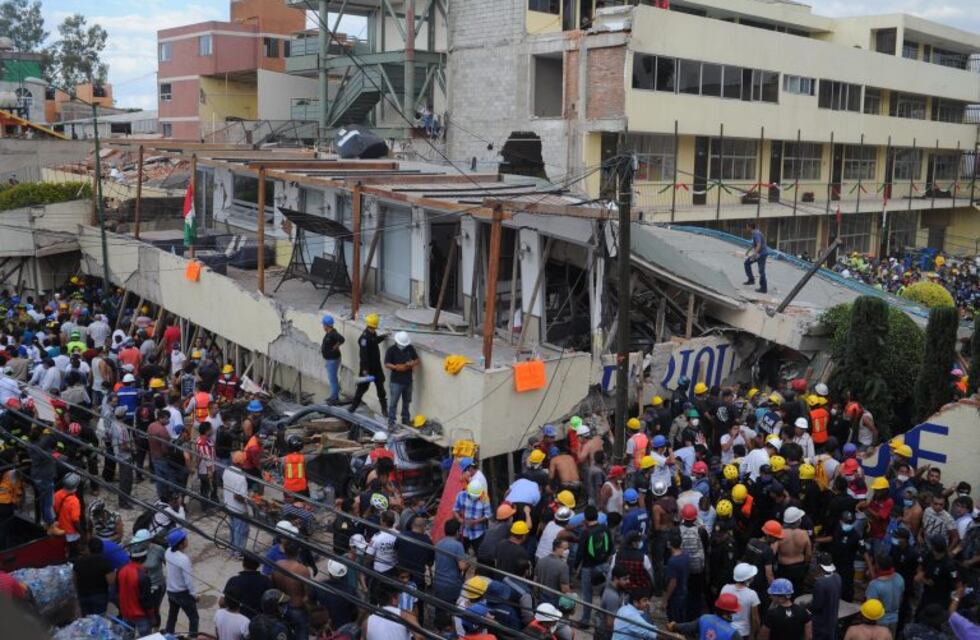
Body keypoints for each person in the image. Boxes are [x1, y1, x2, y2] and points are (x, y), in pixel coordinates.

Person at [271, 538, 311, 640]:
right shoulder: (302, 570)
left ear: (284, 550)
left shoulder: (277, 565)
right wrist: (311, 613)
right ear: (298, 552)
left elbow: (273, 586)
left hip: (281, 608)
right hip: (297, 608)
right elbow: (307, 596)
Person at [348, 313, 388, 415]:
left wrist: (383, 337)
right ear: (371, 326)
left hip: (376, 368)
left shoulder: (373, 334)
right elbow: (363, 356)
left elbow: (374, 341)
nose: (375, 329)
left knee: (381, 390)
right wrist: (365, 370)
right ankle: (352, 408)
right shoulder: (364, 338)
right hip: (367, 369)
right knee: (361, 389)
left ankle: (384, 409)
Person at [164, 528, 199, 636]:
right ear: (180, 545)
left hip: (171, 591)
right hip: (182, 593)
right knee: (194, 618)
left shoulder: (168, 552)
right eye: (185, 539)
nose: (187, 540)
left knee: (172, 616)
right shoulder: (183, 559)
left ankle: (168, 635)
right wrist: (194, 595)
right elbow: (188, 580)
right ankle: (192, 637)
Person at [116, 541, 153, 637]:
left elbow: (118, 590)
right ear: (143, 558)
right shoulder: (143, 575)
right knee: (146, 637)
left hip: (125, 613)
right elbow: (146, 600)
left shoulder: (121, 570)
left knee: (127, 636)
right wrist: (151, 616)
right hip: (140, 615)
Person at [669, 592, 743, 640]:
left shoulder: (705, 618)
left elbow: (688, 627)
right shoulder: (733, 634)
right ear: (728, 613)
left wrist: (674, 626)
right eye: (734, 612)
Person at [384, 331, 419, 428]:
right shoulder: (391, 350)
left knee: (407, 401)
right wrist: (396, 367)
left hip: (408, 380)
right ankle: (391, 422)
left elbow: (417, 360)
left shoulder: (410, 348)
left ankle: (405, 419)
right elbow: (387, 363)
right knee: (393, 403)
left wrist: (412, 363)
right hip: (396, 381)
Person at [222, 555, 274, 619]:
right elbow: (272, 601)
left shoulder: (233, 580)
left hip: (239, 617)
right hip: (259, 619)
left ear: (243, 564)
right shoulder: (266, 580)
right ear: (258, 565)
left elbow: (224, 601)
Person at [73, 537, 115, 615]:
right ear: (102, 549)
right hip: (100, 595)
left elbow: (74, 580)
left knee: (87, 621)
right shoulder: (105, 562)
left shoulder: (78, 562)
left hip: (83, 596)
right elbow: (111, 582)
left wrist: (77, 594)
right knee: (99, 620)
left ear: (88, 549)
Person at [866, 553, 904, 638]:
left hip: (880, 620)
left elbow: (871, 608)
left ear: (878, 567)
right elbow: (901, 599)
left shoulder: (875, 585)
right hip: (895, 618)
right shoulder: (899, 578)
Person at [721, 563, 761, 639]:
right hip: (743, 633)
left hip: (726, 630)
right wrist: (755, 634)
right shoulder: (752, 594)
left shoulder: (725, 588)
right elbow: (755, 618)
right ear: (748, 578)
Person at [223, 451, 250, 558]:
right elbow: (238, 496)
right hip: (238, 508)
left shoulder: (227, 470)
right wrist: (249, 501)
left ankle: (233, 549)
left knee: (233, 528)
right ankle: (239, 552)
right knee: (241, 531)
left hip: (228, 505)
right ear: (241, 462)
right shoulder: (241, 477)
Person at [810, 552, 842, 640]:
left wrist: (807, 606)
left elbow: (816, 606)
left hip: (821, 623)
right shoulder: (837, 577)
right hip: (833, 619)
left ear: (819, 566)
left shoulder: (820, 583)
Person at [53, 472, 83, 558]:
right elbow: (75, 520)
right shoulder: (74, 501)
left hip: (60, 527)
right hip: (71, 532)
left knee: (63, 549)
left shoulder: (57, 494)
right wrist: (82, 533)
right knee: (73, 552)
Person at [665, 530, 691, 623]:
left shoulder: (673, 561)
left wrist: (666, 599)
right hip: (684, 592)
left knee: (673, 621)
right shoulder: (686, 555)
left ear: (669, 544)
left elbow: (673, 583)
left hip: (675, 596)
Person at [535, 539, 571, 604]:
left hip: (540, 598)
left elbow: (535, 581)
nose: (567, 551)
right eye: (565, 549)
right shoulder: (563, 566)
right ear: (557, 548)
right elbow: (565, 589)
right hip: (554, 600)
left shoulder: (541, 561)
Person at [320, 314, 344, 404]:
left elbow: (342, 339)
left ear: (326, 325)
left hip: (332, 360)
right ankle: (334, 396)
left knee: (332, 379)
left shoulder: (333, 334)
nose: (323, 326)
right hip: (330, 359)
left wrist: (336, 346)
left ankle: (334, 398)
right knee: (333, 378)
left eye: (323, 325)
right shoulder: (329, 333)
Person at [743, 222, 769, 294]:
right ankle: (751, 280)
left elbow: (758, 244)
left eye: (747, 227)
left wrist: (754, 254)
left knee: (761, 271)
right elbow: (754, 244)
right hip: (760, 253)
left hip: (761, 254)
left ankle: (763, 288)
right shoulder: (755, 233)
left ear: (750, 227)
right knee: (747, 263)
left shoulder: (756, 234)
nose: (746, 228)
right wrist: (748, 251)